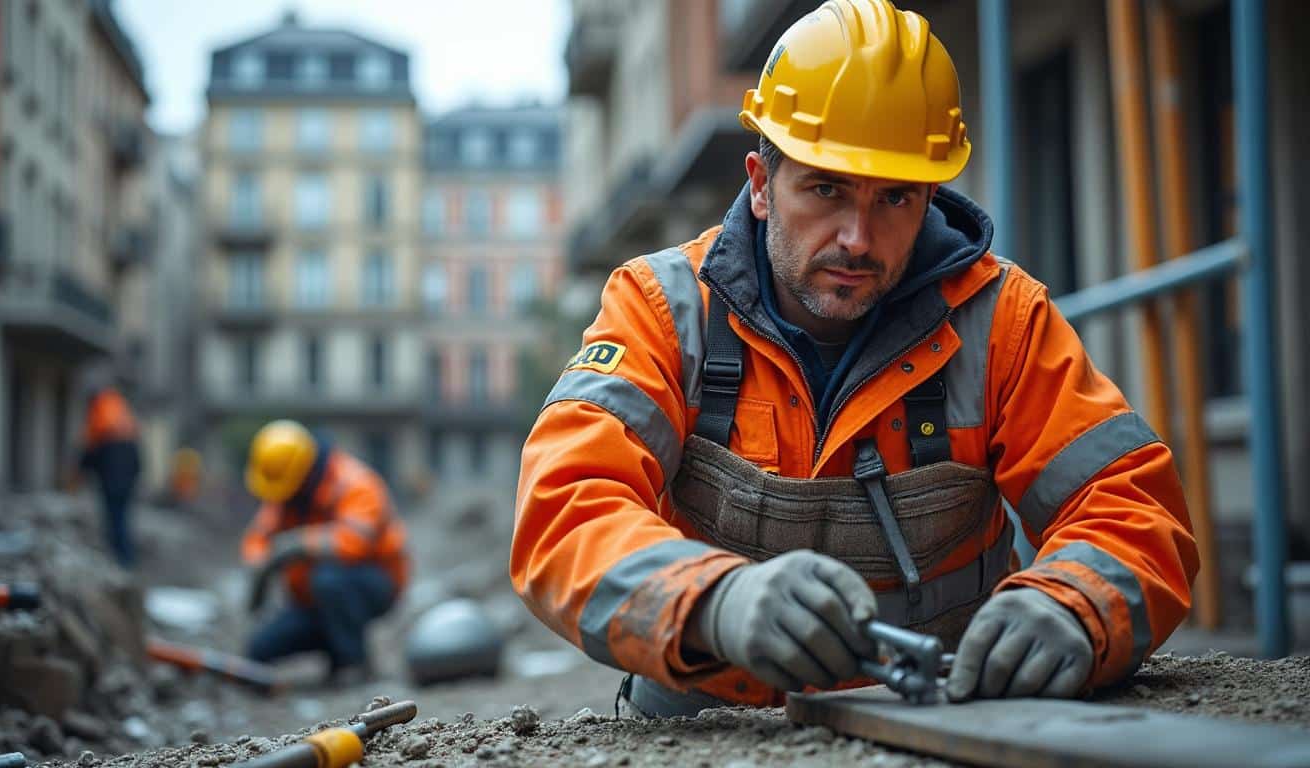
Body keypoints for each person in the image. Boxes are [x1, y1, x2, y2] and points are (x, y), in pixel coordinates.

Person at [512, 0, 1198, 717]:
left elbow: (1132, 505)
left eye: (895, 198)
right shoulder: (663, 309)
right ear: (758, 182)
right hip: (712, 729)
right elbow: (565, 507)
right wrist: (712, 600)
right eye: (826, 188)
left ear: (931, 195)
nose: (858, 239)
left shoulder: (1002, 320)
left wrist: (1074, 608)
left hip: (954, 721)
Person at [240, 420, 409, 683]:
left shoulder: (355, 483)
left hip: (373, 583)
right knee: (258, 649)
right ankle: (335, 641)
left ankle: (354, 662)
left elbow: (354, 543)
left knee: (329, 580)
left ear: (304, 471)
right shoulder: (289, 496)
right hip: (312, 601)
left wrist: (297, 545)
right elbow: (257, 538)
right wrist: (261, 565)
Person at [79, 385, 142, 568]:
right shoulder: (128, 435)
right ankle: (124, 559)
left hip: (111, 486)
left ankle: (120, 560)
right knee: (122, 522)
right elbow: (138, 464)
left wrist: (80, 474)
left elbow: (89, 458)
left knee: (115, 523)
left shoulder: (103, 434)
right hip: (125, 486)